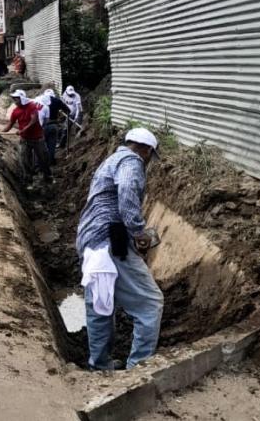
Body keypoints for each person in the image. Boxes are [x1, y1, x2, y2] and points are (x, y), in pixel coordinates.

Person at [76, 127, 163, 371]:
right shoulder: (131, 161)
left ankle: (100, 365)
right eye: (149, 156)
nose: (148, 162)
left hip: (90, 238)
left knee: (101, 303)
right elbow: (126, 191)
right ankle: (138, 368)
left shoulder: (112, 159)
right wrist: (138, 232)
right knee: (150, 303)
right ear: (145, 150)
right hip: (110, 241)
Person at [3, 89, 52, 186]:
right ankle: (29, 180)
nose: (15, 102)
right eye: (14, 99)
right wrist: (2, 131)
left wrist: (23, 130)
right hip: (25, 140)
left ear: (22, 99)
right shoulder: (15, 111)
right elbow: (10, 124)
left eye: (16, 99)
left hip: (38, 139)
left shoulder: (32, 107)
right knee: (25, 160)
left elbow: (34, 120)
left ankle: (48, 177)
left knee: (43, 159)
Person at [38, 88, 71, 164]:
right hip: (53, 126)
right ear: (53, 94)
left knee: (41, 146)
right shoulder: (57, 101)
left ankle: (40, 164)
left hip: (41, 126)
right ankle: (51, 161)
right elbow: (68, 111)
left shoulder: (40, 101)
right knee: (51, 146)